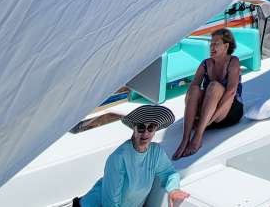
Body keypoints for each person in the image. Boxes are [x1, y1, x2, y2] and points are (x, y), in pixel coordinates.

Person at [74, 104, 189, 207]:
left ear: (155, 130)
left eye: (151, 127)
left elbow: (169, 173)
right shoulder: (119, 157)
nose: (146, 133)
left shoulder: (156, 152)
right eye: (141, 127)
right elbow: (110, 203)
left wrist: (174, 190)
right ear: (134, 128)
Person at [172, 28, 244, 159]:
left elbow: (231, 92)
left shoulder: (233, 61)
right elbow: (190, 94)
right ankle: (185, 139)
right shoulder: (205, 64)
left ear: (226, 46)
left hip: (228, 112)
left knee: (214, 86)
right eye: (211, 44)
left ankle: (198, 137)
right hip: (207, 115)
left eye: (216, 44)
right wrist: (195, 113)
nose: (212, 47)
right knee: (194, 89)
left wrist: (210, 120)